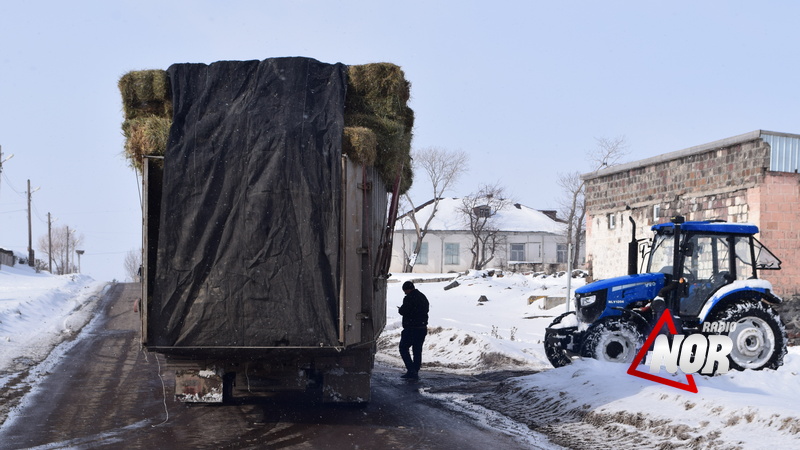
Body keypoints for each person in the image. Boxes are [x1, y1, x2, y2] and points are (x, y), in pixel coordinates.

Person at [398, 281, 429, 379]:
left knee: (403, 348)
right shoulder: (423, 297)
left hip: (411, 328)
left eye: (405, 291)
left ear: (408, 289)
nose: (405, 293)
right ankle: (415, 370)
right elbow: (425, 310)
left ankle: (411, 370)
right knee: (417, 350)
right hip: (422, 328)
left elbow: (404, 311)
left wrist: (400, 310)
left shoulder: (409, 298)